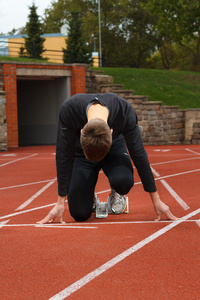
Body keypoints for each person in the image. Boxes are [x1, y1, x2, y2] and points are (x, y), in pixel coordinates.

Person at [37, 93, 178, 224]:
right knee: (79, 214)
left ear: (111, 132)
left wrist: (156, 200)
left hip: (114, 149)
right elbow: (63, 155)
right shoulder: (69, 110)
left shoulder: (124, 111)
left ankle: (117, 193)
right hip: (82, 153)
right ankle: (88, 194)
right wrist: (60, 202)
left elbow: (139, 154)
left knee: (123, 181)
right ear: (81, 132)